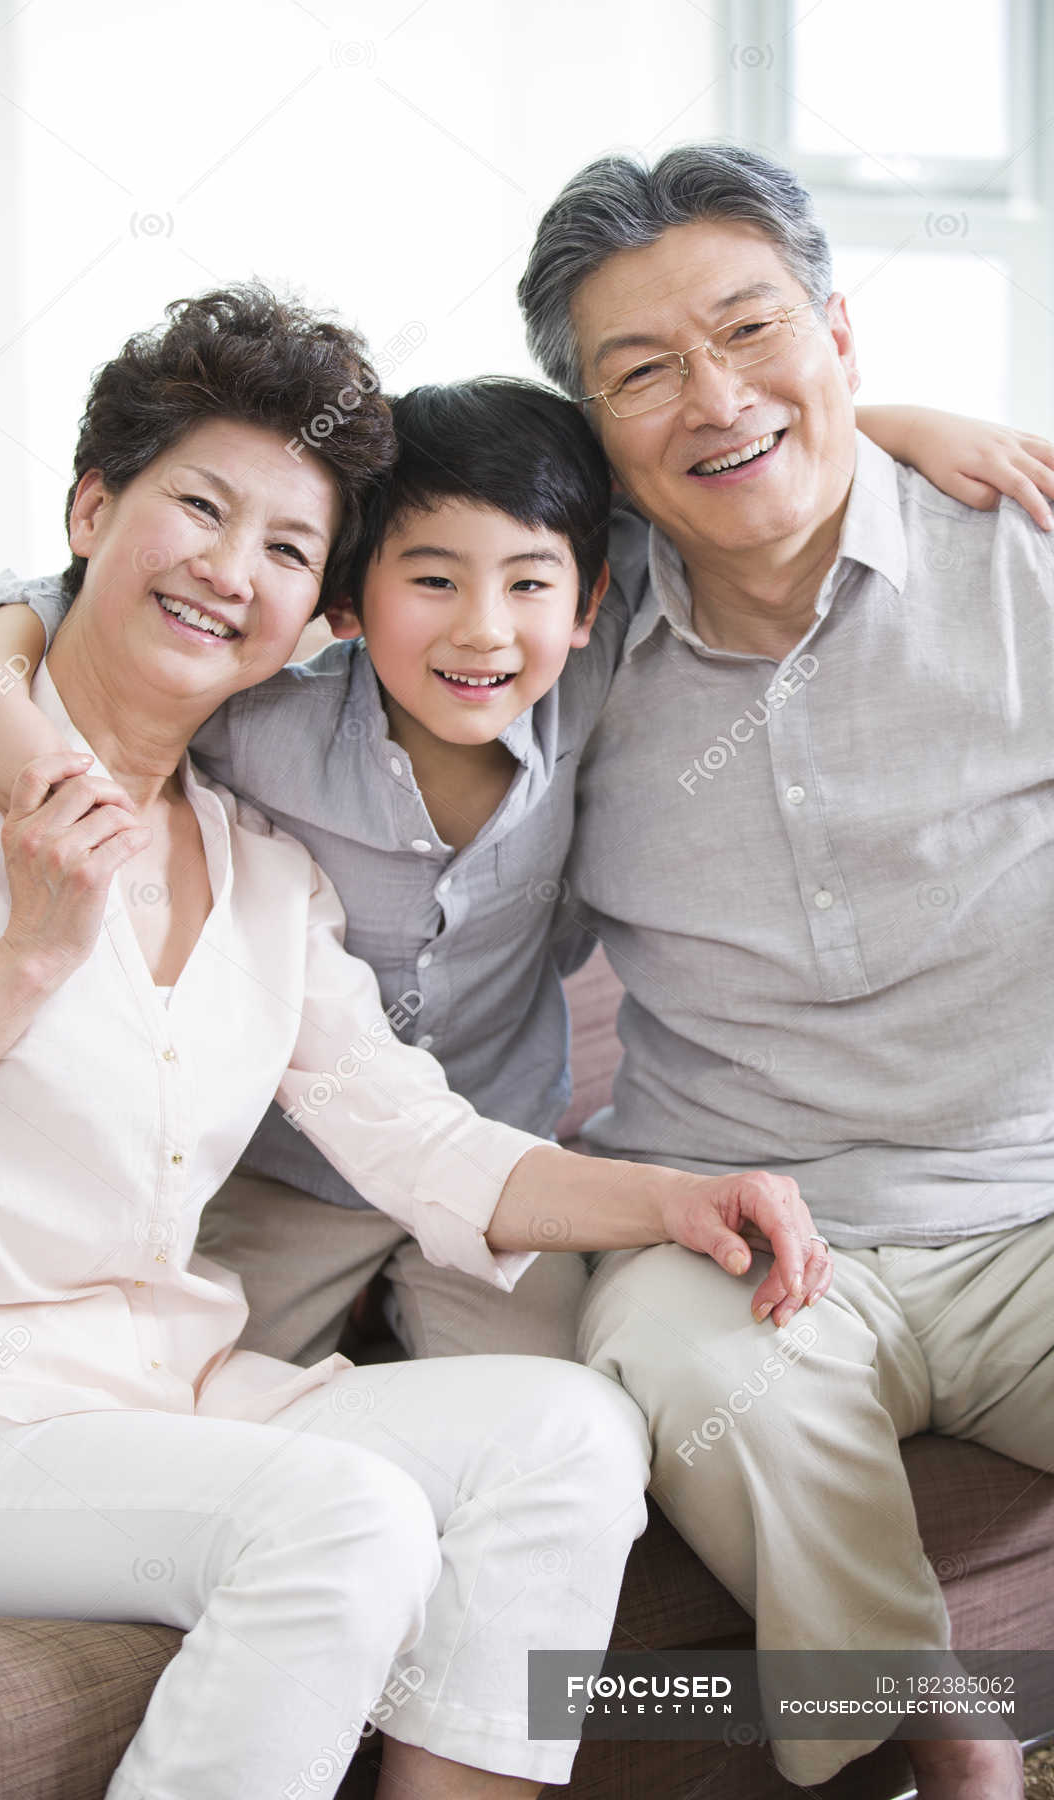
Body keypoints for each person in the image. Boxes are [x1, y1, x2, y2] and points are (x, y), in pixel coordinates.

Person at [0, 281, 831, 1800]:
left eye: (291, 549)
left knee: (566, 1429)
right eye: (200, 508)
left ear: (318, 616)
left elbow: (415, 1139)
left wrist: (672, 1199)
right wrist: (33, 955)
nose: (232, 571)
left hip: (161, 1396)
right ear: (91, 508)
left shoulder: (260, 870)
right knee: (344, 1516)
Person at [0, 373, 1048, 1373]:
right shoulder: (255, 720)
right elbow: (63, 609)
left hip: (502, 1152)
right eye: (433, 582)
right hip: (286, 1168)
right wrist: (20, 749)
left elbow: (710, 489)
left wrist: (885, 425)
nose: (483, 631)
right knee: (184, 1388)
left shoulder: (587, 663)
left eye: (525, 586)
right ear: (349, 603)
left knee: (582, 1405)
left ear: (588, 599)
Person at [517, 141, 1054, 1800]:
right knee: (703, 1390)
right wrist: (20, 660)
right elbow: (233, 569)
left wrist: (876, 439)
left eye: (752, 332)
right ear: (589, 436)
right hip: (735, 1217)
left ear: (842, 331)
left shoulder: (1024, 547)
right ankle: (950, 1741)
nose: (714, 395)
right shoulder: (553, 626)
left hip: (1034, 1201)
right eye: (645, 372)